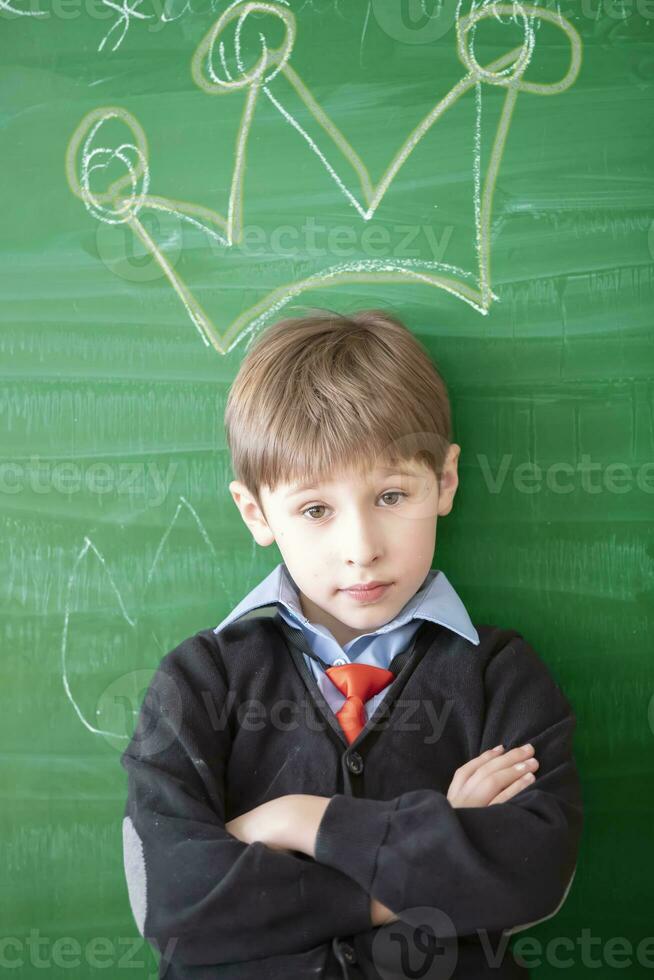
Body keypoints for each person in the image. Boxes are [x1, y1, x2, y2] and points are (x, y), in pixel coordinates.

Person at [120, 308, 583, 979]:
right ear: (257, 513)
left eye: (393, 495)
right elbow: (170, 900)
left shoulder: (499, 676)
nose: (361, 549)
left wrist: (296, 820)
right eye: (315, 510)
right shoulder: (199, 682)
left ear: (445, 482)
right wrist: (438, 843)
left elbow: (531, 875)